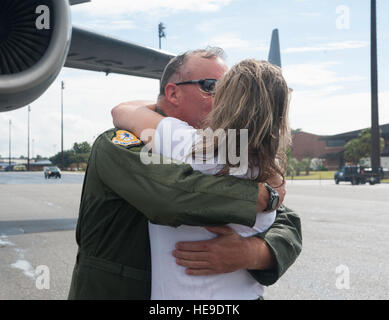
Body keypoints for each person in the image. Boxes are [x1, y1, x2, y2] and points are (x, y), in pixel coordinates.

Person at [68, 48, 302, 300]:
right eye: (211, 86)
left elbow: (286, 221)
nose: (221, 98)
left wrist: (254, 252)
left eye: (227, 89)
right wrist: (259, 197)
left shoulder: (230, 152)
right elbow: (173, 194)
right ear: (173, 93)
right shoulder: (122, 143)